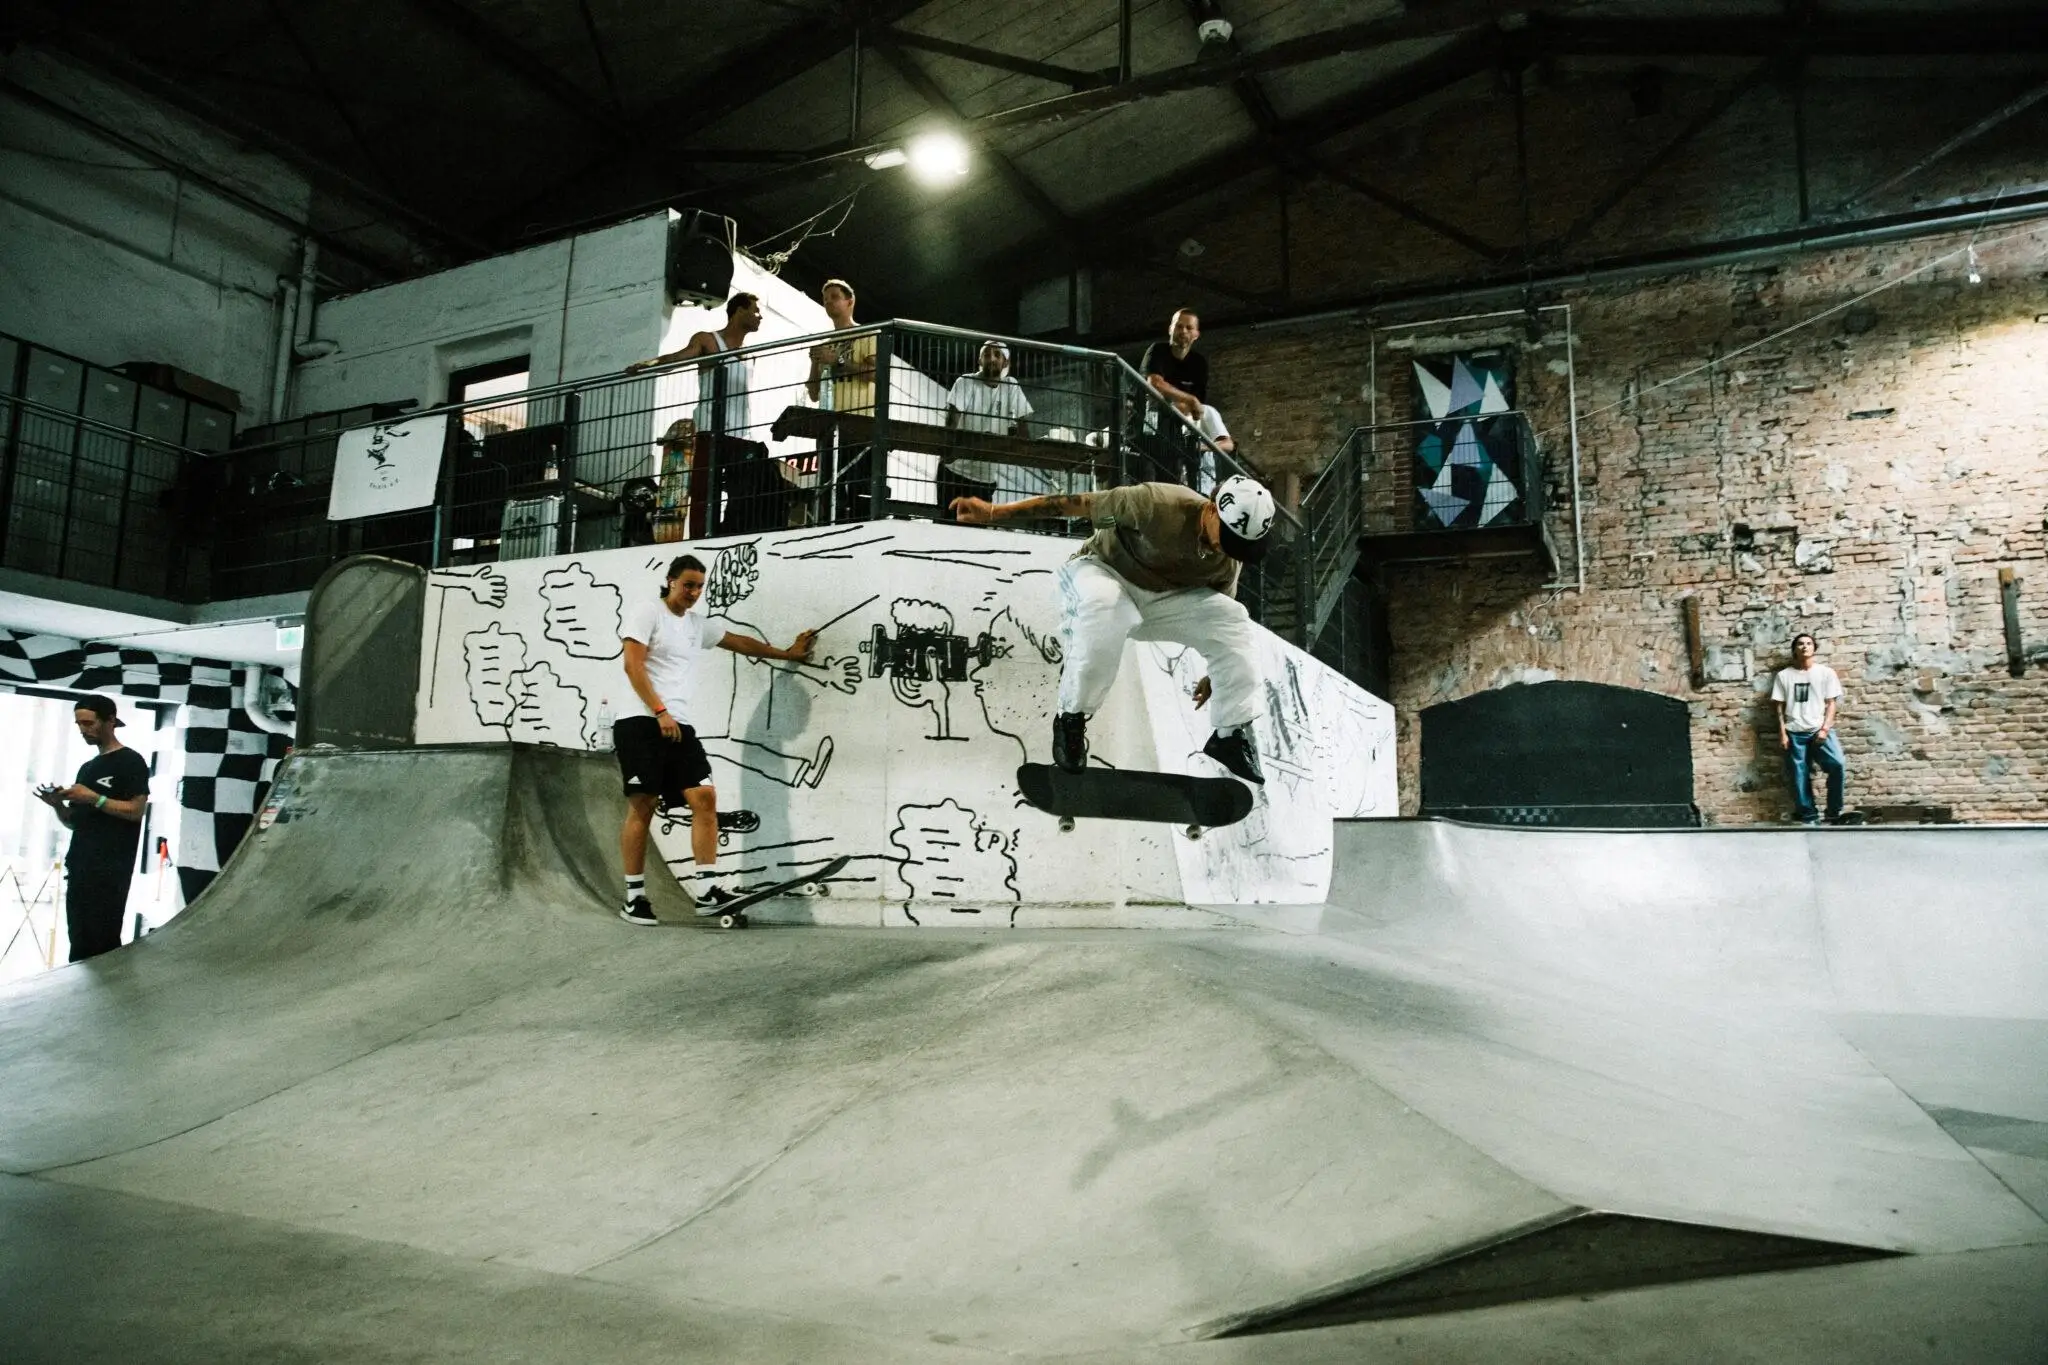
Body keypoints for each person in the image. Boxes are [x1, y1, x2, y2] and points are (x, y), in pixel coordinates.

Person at [949, 475, 1277, 785]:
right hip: (1100, 573)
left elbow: (1218, 613)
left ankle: (1230, 735)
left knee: (1235, 618)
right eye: (1227, 537)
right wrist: (994, 512)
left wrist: (1218, 673)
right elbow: (1074, 504)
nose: (1226, 549)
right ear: (1210, 508)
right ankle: (1071, 720)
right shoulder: (1155, 504)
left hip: (1160, 603)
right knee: (1106, 608)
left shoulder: (1228, 558)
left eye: (1238, 546)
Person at [616, 554, 819, 924]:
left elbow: (739, 642)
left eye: (698, 587)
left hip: (678, 724)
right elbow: (632, 665)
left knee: (705, 798)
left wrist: (786, 654)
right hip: (641, 721)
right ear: (671, 581)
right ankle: (634, 898)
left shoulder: (696, 625)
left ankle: (707, 891)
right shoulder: (649, 612)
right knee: (643, 804)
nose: (693, 593)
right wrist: (660, 711)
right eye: (687, 585)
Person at [626, 294, 781, 532]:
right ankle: (700, 537)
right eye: (756, 310)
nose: (760, 316)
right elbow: (677, 358)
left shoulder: (751, 354)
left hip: (741, 436)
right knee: (704, 490)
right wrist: (648, 365)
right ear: (739, 311)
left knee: (749, 484)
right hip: (710, 430)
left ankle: (729, 532)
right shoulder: (709, 341)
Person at [33, 695, 151, 961]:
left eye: (89, 723)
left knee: (102, 943)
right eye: (79, 724)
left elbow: (136, 811)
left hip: (110, 870)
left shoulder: (130, 761)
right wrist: (57, 806)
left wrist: (93, 798)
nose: (83, 730)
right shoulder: (88, 768)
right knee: (79, 942)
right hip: (81, 867)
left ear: (110, 721)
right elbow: (75, 822)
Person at [1139, 308, 1235, 489]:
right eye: (1179, 326)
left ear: (1196, 334)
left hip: (1174, 434)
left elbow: (1196, 410)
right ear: (1170, 329)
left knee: (1171, 486)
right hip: (1148, 429)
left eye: (1189, 328)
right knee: (1148, 486)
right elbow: (1155, 383)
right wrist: (1189, 400)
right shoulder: (1157, 351)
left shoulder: (1198, 363)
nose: (1183, 331)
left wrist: (1185, 402)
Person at [1771, 632, 1847, 825]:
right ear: (1794, 649)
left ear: (1814, 648)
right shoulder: (1784, 676)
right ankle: (1808, 815)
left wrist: (1824, 729)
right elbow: (1778, 707)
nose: (1805, 646)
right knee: (1799, 775)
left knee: (1837, 764)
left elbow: (1831, 704)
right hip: (1794, 730)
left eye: (1809, 643)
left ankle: (1833, 812)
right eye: (1800, 644)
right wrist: (1782, 733)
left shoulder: (1825, 673)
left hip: (1818, 729)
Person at [804, 278, 875, 413]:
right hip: (829, 421)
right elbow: (813, 395)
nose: (828, 301)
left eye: (835, 297)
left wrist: (838, 361)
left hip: (860, 420)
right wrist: (814, 363)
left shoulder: (868, 334)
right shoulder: (825, 346)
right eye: (825, 299)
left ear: (850, 302)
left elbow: (876, 375)